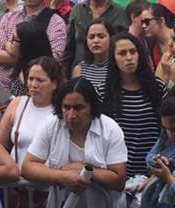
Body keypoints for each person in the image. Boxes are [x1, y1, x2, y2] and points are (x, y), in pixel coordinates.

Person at [21, 78, 128, 208]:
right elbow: (28, 166)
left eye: (78, 108)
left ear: (91, 107)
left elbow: (118, 179)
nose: (71, 115)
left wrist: (84, 171)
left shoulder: (110, 129)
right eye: (66, 107)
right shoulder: (52, 124)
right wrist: (62, 176)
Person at [0, 0, 67, 90]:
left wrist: (12, 51)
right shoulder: (8, 17)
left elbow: (53, 60)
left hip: (38, 88)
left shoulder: (55, 21)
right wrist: (32, 55)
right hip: (4, 88)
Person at [101, 32, 164, 179]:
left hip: (152, 170)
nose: (129, 58)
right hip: (117, 171)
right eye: (122, 53)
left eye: (133, 52)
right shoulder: (103, 92)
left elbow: (166, 130)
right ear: (113, 58)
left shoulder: (157, 88)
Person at [0, 56, 62, 169]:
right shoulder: (17, 103)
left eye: (40, 80)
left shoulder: (61, 110)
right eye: (31, 79)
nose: (34, 85)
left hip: (46, 182)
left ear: (54, 84)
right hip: (15, 181)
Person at [64, 0, 129, 73]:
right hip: (80, 71)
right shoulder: (78, 10)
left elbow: (124, 44)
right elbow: (69, 46)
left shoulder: (119, 12)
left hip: (111, 71)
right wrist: (65, 73)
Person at [72, 18, 112, 92]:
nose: (96, 41)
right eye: (91, 37)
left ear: (111, 38)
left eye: (101, 36)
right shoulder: (79, 69)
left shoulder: (118, 67)